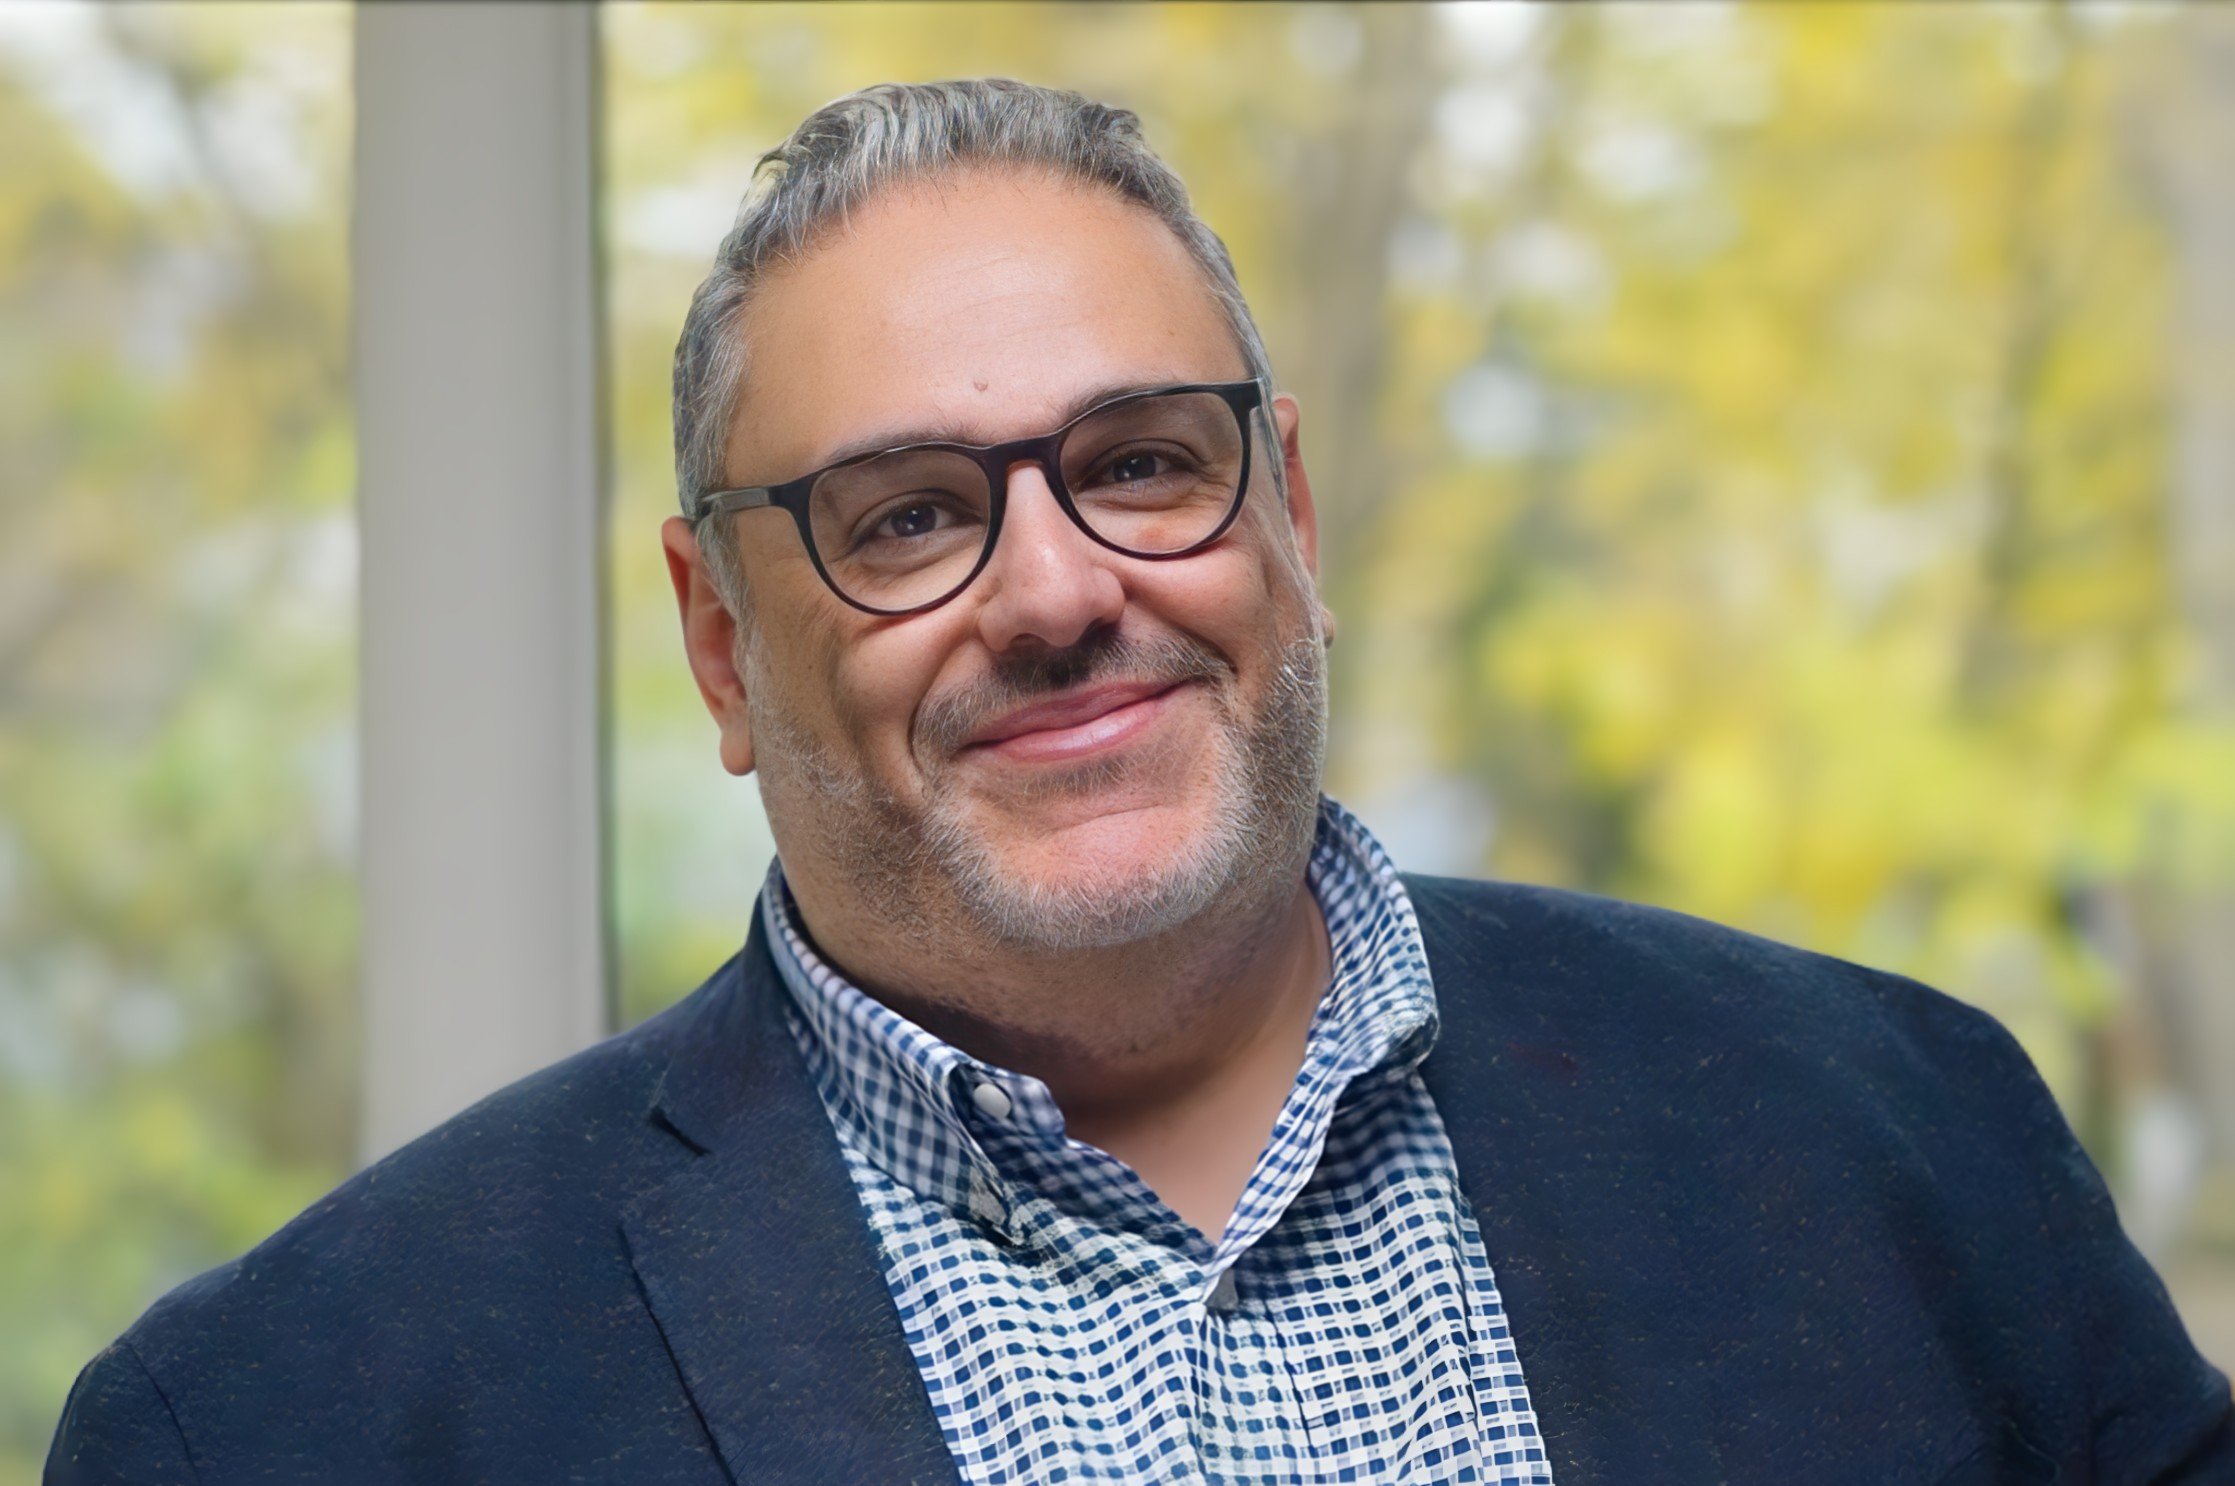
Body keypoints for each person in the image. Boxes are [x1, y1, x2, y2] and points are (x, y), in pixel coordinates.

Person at [46, 77, 2232, 1486]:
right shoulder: (284, 1420)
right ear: (722, 643)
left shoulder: (1898, 1147)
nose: (1058, 587)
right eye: (905, 515)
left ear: (1288, 512)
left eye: (1140, 464)